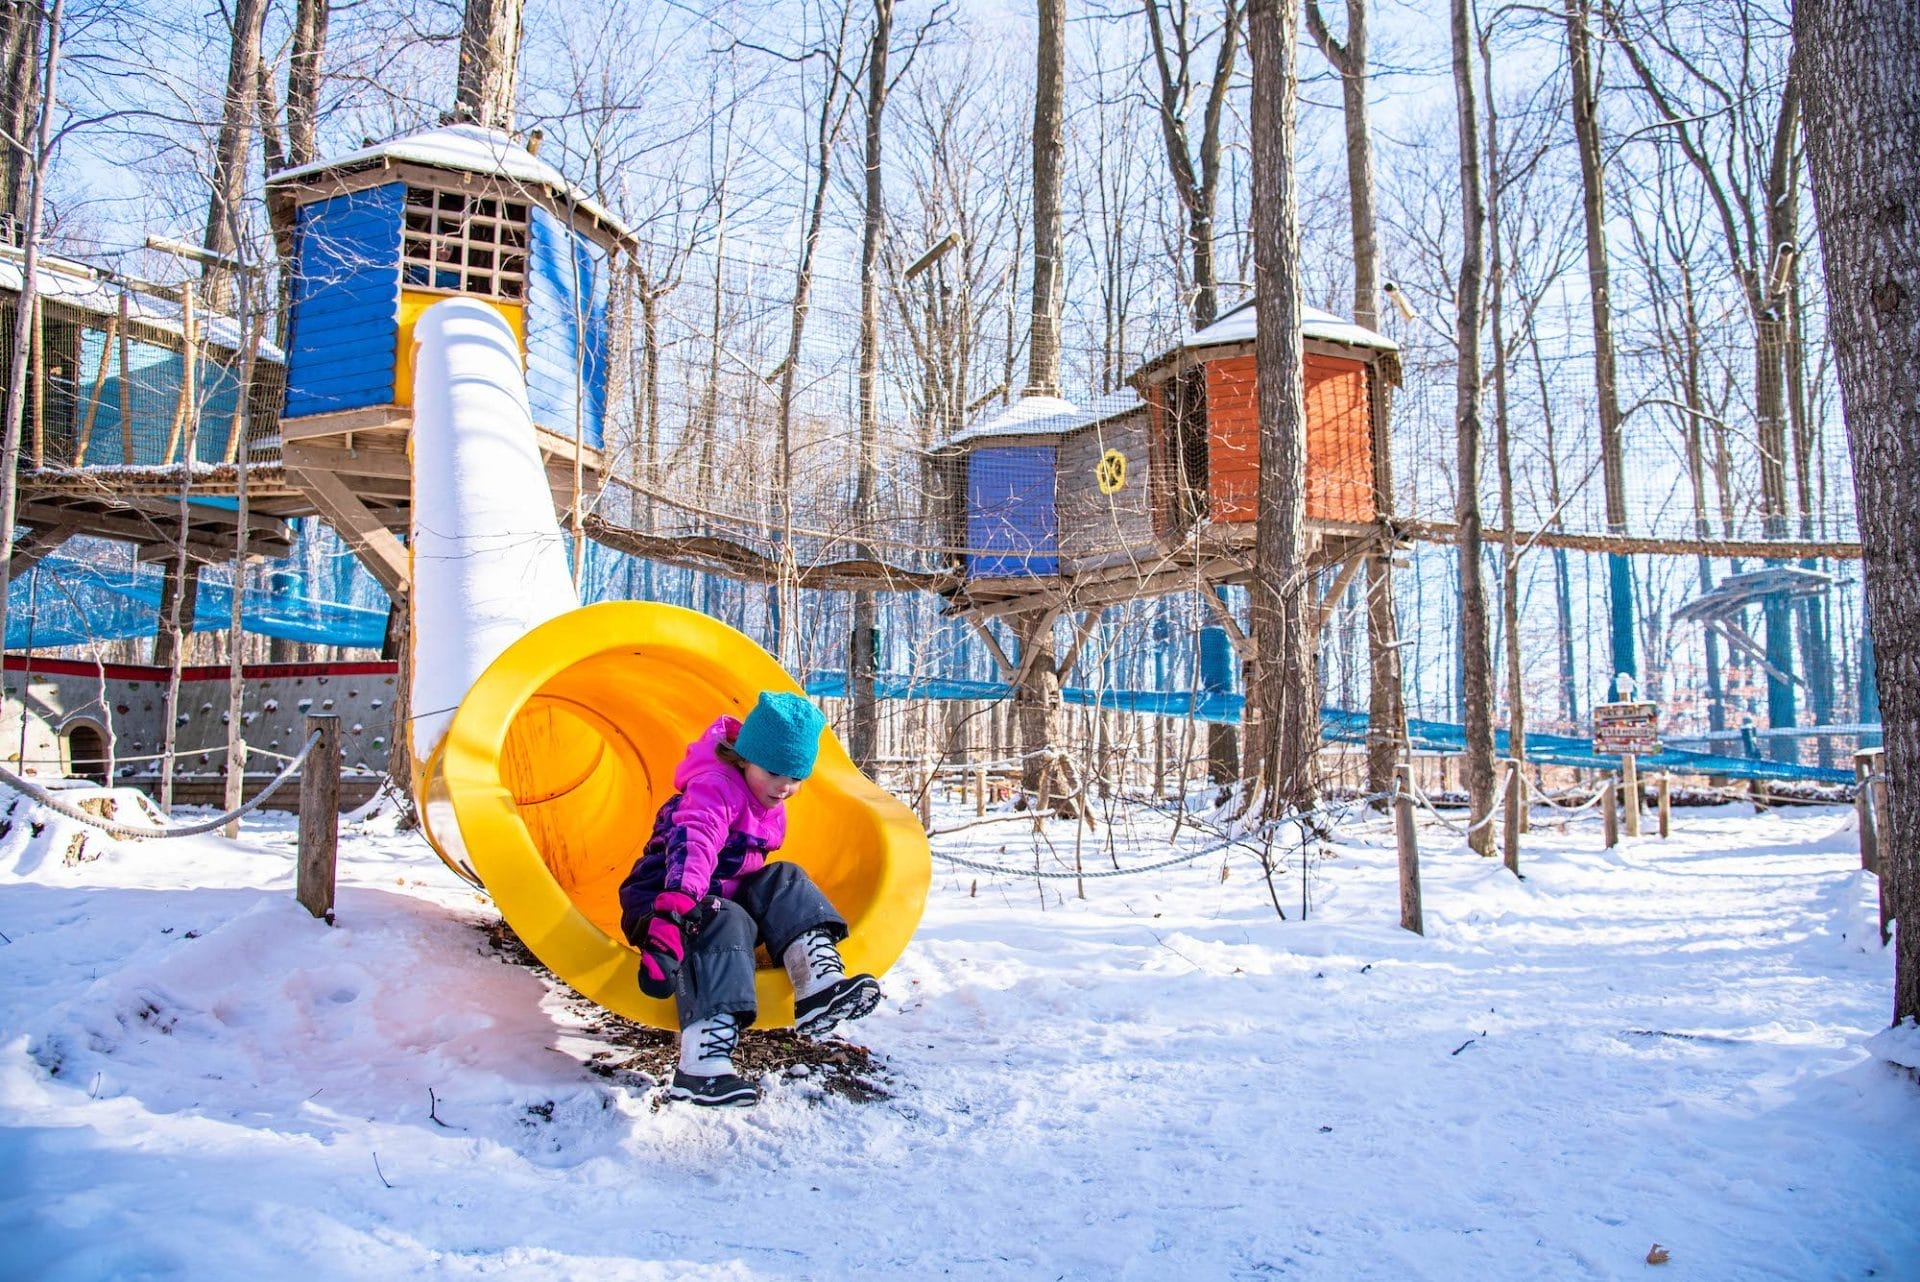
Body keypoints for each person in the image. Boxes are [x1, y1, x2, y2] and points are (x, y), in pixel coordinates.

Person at [618, 691, 881, 1107]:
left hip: (718, 901)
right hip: (665, 903)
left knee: (784, 877)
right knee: (726, 918)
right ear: (745, 757)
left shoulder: (768, 796)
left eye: (797, 776)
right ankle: (700, 1064)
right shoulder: (714, 787)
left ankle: (816, 985)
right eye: (776, 772)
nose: (786, 787)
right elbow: (695, 843)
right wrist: (674, 912)